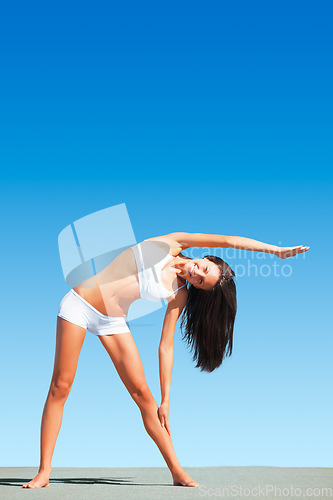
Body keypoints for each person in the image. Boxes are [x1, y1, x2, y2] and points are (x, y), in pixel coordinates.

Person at [23, 232, 309, 489]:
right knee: (61, 385)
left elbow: (165, 347)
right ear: (206, 258)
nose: (195, 274)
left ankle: (177, 471)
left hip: (113, 321)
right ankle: (44, 471)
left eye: (200, 282)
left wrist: (167, 398)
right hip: (80, 304)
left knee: (144, 397)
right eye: (203, 268)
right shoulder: (173, 243)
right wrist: (274, 251)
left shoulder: (179, 293)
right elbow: (229, 240)